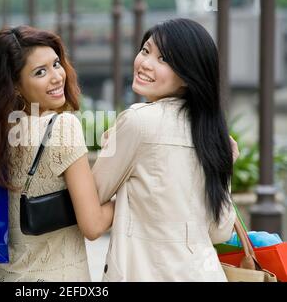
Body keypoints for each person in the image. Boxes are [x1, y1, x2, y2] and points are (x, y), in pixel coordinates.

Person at [0, 25, 114, 282]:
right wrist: (131, 194)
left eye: (56, 64)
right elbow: (93, 225)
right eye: (40, 72)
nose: (57, 77)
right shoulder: (62, 126)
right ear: (16, 86)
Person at [92, 18, 238, 281]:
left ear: (188, 75)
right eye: (146, 51)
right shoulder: (216, 137)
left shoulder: (138, 121)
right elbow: (220, 231)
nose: (146, 63)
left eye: (164, 59)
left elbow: (93, 197)